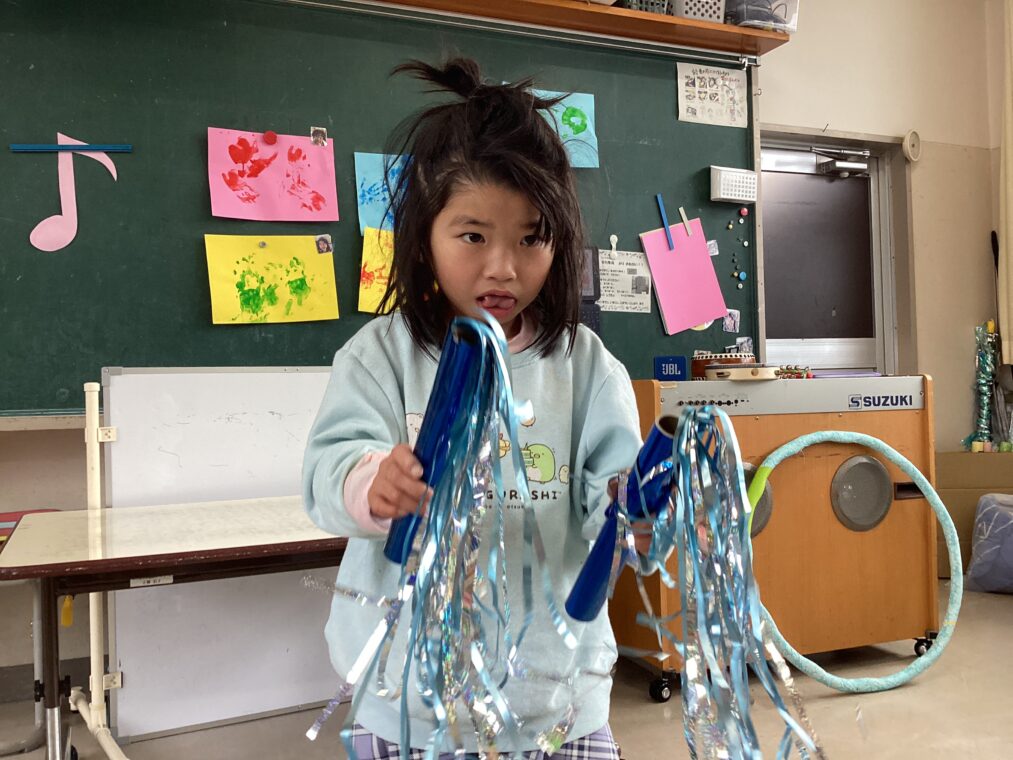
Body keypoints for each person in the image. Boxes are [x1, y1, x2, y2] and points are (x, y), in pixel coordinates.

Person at [303, 57, 641, 759]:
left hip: (559, 701)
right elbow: (326, 472)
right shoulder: (380, 356)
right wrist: (370, 481)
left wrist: (634, 509)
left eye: (530, 238)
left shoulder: (585, 365)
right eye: (473, 236)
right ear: (425, 235)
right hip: (407, 705)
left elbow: (611, 496)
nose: (503, 267)